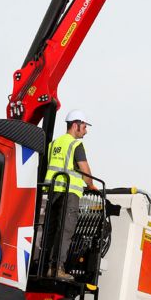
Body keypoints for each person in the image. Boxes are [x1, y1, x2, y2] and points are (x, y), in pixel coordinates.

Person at [44, 109, 98, 281]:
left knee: (50, 231)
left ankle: (44, 266)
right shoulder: (75, 145)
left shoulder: (54, 144)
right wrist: (91, 185)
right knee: (65, 230)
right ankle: (57, 269)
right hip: (69, 192)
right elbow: (84, 170)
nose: (86, 131)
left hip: (53, 193)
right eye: (84, 126)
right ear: (75, 125)